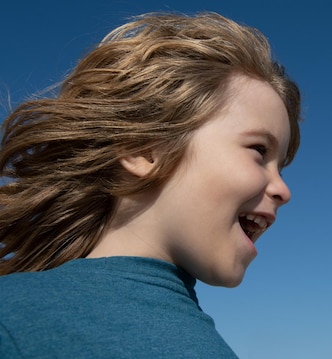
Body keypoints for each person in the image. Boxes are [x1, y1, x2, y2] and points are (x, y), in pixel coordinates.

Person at [0, 11, 301, 358]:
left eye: (282, 167)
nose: (284, 190)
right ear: (144, 151)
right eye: (259, 151)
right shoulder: (12, 318)